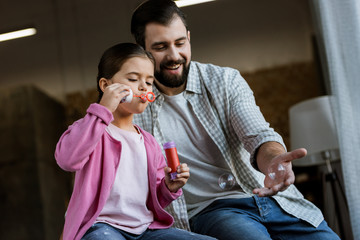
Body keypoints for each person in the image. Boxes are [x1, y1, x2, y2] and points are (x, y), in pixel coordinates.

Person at [130, 1, 340, 239]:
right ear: (142, 50)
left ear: (189, 37)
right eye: (160, 47)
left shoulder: (225, 81)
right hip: (215, 211)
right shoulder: (133, 107)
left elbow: (258, 135)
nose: (174, 55)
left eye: (180, 43)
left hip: (271, 199)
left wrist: (273, 160)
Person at [55, 43, 216, 240]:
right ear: (106, 86)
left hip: (146, 230)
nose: (143, 87)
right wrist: (102, 110)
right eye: (133, 79)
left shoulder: (149, 142)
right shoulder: (90, 129)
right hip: (102, 227)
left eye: (149, 82)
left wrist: (168, 187)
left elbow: (153, 198)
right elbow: (67, 160)